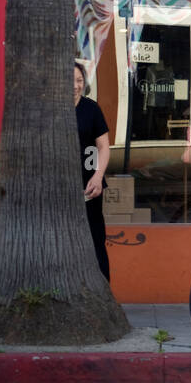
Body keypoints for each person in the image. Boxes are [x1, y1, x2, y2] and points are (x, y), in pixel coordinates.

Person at [75, 62, 112, 282]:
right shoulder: (52, 109)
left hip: (89, 188)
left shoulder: (91, 109)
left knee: (95, 240)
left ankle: (104, 290)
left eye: (79, 80)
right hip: (61, 189)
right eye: (70, 80)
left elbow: (103, 147)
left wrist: (98, 177)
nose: (75, 85)